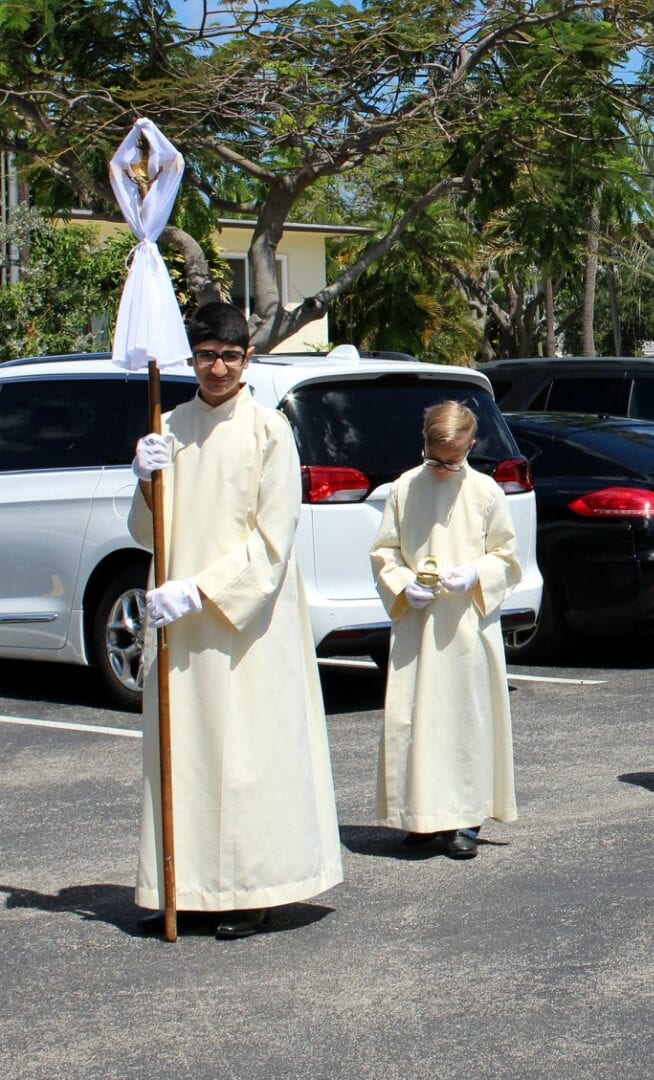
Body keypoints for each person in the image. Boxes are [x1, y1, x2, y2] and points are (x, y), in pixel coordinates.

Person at [127, 301, 342, 939]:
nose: (215, 367)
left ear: (247, 359)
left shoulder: (269, 430)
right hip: (182, 618)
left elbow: (273, 540)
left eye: (228, 355)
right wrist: (143, 478)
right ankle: (185, 889)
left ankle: (252, 890)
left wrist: (200, 590)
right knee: (187, 752)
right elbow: (149, 529)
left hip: (246, 622)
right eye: (204, 355)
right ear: (189, 358)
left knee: (247, 751)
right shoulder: (168, 425)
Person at [371, 401, 522, 858]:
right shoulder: (402, 488)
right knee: (414, 718)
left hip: (466, 625)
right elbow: (385, 551)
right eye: (434, 459)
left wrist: (476, 573)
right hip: (418, 622)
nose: (441, 469)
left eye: (452, 460)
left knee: (465, 720)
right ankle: (421, 816)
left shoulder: (485, 492)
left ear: (470, 447)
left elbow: (507, 556)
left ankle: (465, 819)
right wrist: (401, 584)